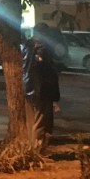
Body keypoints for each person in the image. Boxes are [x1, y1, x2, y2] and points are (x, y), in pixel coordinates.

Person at [22, 22, 60, 151]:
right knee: (41, 121)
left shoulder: (27, 46)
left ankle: (33, 148)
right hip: (41, 90)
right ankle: (37, 150)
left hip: (28, 88)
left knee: (32, 121)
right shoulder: (43, 48)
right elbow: (43, 70)